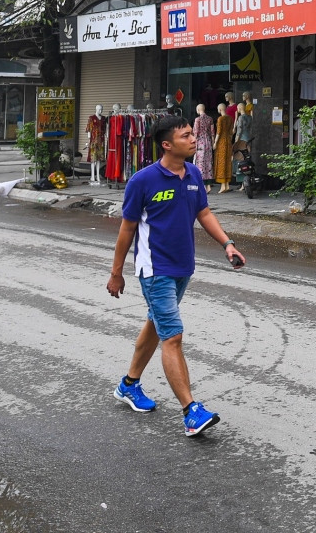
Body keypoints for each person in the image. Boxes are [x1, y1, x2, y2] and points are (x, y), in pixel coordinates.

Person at [106, 115, 246, 437]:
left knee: (156, 324)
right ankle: (191, 411)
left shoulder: (194, 174)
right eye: (186, 136)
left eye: (192, 134)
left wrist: (227, 244)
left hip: (183, 267)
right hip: (155, 271)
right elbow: (127, 230)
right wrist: (117, 273)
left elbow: (204, 213)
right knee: (173, 336)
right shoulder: (143, 181)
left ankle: (128, 385)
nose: (193, 139)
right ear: (167, 144)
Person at [214, 102, 233, 193]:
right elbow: (231, 132)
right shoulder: (230, 118)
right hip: (228, 141)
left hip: (221, 141)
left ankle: (223, 185)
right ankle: (227, 184)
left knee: (221, 162)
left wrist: (215, 142)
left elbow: (218, 132)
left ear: (220, 109)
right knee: (227, 162)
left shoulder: (220, 119)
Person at [193, 104, 215, 183]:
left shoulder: (197, 120)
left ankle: (201, 182)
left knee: (200, 161)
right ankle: (208, 184)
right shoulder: (210, 119)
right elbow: (212, 133)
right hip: (208, 141)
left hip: (200, 142)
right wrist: (213, 143)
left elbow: (196, 133)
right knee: (208, 161)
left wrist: (194, 144)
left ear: (198, 110)